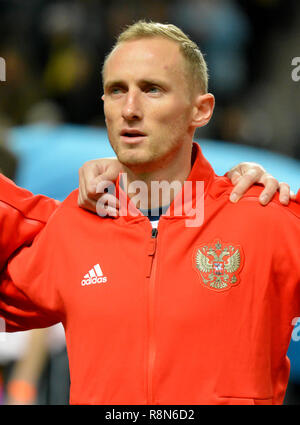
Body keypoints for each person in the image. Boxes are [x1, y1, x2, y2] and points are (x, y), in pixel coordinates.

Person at [0, 21, 299, 405]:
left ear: (201, 110)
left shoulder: (266, 217)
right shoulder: (73, 227)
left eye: (152, 89)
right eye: (116, 90)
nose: (129, 109)